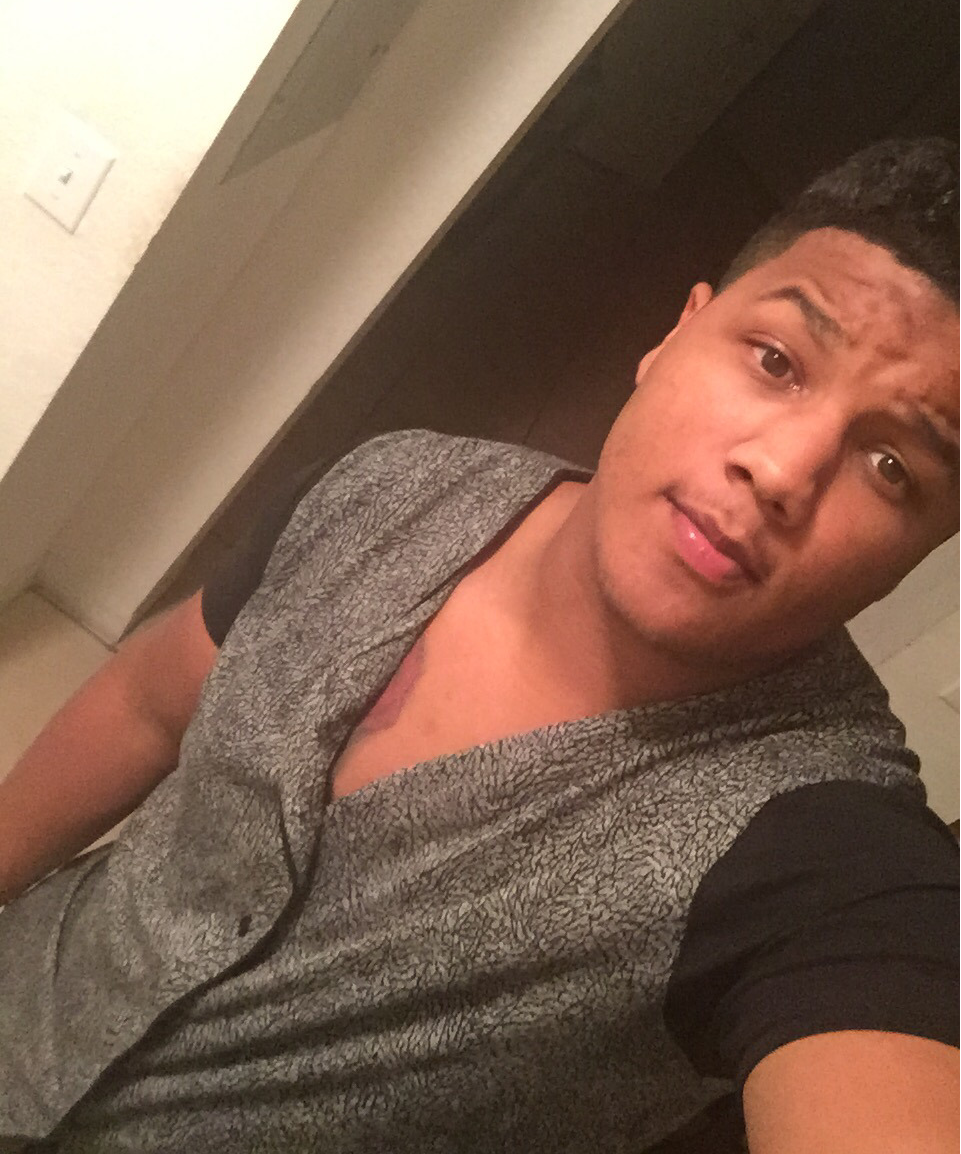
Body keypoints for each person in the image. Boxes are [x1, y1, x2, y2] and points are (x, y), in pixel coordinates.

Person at [0, 138, 957, 1153]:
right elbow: (149, 703)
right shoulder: (389, 481)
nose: (782, 470)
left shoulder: (834, 861)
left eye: (892, 466)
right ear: (675, 333)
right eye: (775, 360)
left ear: (924, 551)